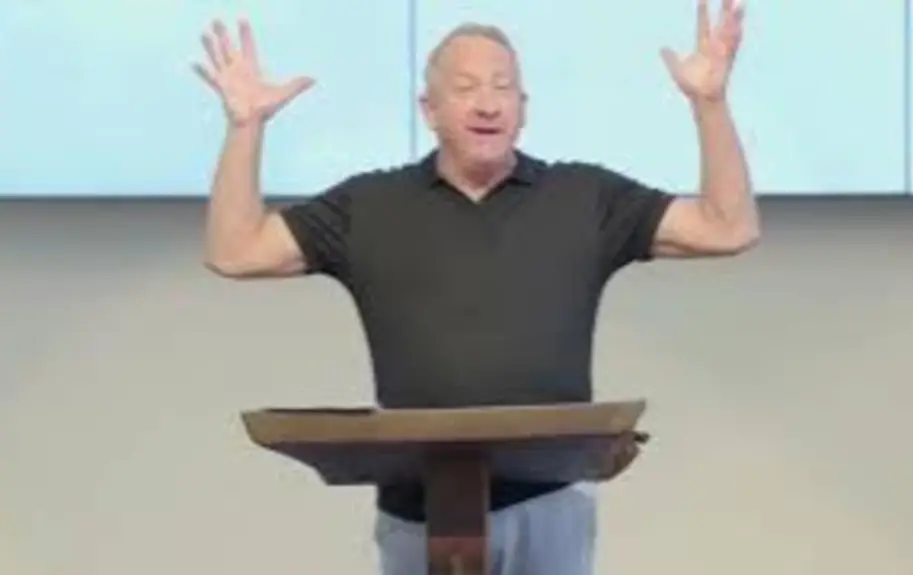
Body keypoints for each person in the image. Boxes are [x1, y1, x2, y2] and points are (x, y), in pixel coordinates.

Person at [194, 1, 755, 573]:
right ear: (429, 109)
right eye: (465, 88)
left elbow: (727, 227)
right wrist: (245, 128)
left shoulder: (585, 198)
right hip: (417, 515)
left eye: (502, 87)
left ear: (523, 109)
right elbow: (235, 250)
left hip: (552, 505)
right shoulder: (370, 206)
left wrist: (709, 103)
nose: (488, 103)